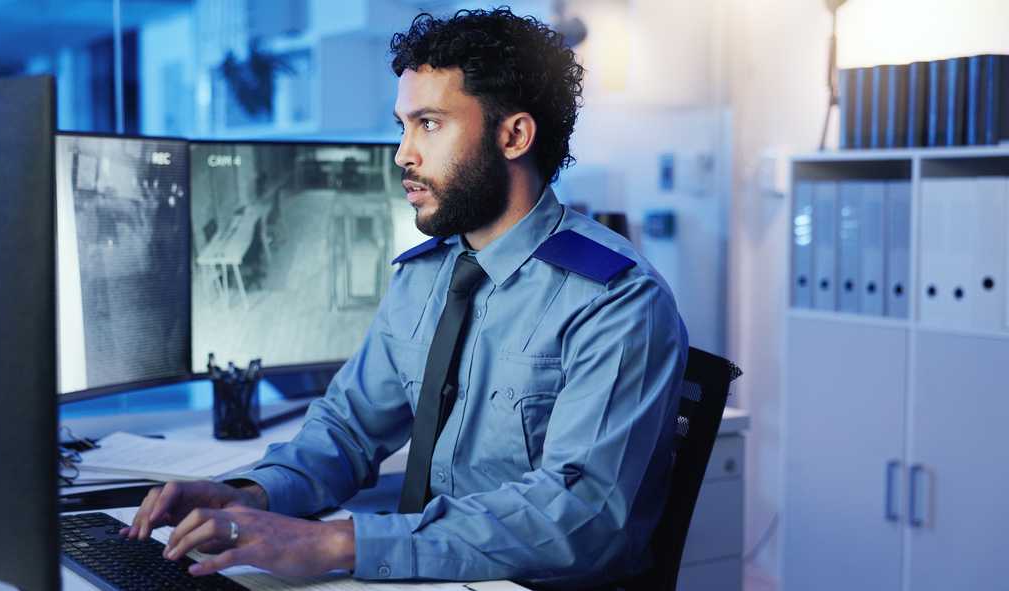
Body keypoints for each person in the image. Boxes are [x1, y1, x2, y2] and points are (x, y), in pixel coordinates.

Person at [120, 8, 688, 590]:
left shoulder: (615, 301)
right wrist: (249, 493)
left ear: (514, 135)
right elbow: (348, 428)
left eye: (430, 124)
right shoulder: (428, 275)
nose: (402, 154)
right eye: (403, 125)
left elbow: (578, 521)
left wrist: (336, 542)